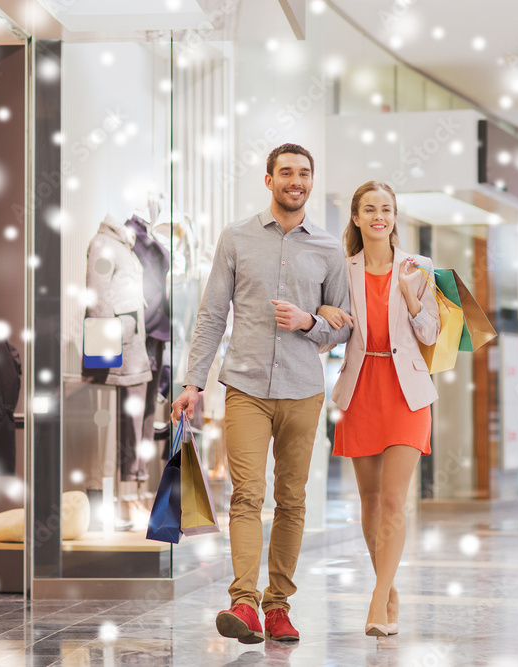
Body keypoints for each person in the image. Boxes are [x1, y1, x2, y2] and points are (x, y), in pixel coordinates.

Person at [171, 144, 351, 644]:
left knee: (292, 500)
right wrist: (193, 383)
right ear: (269, 180)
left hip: (302, 390)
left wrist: (310, 321)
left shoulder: (329, 248)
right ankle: (244, 604)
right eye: (287, 172)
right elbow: (211, 315)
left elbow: (344, 326)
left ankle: (279, 607)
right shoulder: (236, 238)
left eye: (305, 174)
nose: (296, 181)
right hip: (245, 386)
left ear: (311, 182)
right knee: (247, 495)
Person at [319, 180, 440, 637]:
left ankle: (376, 598)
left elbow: (430, 334)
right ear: (355, 217)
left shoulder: (418, 266)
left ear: (394, 216)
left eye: (386, 209)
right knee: (368, 502)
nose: (378, 217)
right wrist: (323, 314)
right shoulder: (341, 267)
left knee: (393, 499)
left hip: (407, 391)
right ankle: (387, 591)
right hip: (361, 386)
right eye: (369, 209)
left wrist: (411, 296)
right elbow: (333, 326)